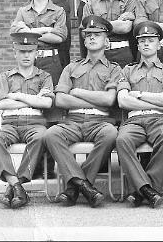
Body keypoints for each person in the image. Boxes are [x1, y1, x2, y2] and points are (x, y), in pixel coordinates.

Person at [43, 15, 121, 208]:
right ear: (84, 40)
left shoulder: (114, 69)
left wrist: (77, 92)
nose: (92, 38)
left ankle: (73, 187)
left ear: (106, 41)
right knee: (52, 134)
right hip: (73, 120)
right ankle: (84, 185)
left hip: (101, 122)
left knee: (111, 134)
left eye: (97, 34)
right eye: (88, 35)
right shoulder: (71, 67)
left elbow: (109, 100)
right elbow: (61, 99)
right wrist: (96, 99)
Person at [116, 21, 163, 208]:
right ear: (137, 45)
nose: (146, 44)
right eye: (142, 41)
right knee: (122, 141)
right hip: (134, 120)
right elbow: (123, 101)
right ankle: (148, 190)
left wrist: (140, 94)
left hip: (161, 120)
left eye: (151, 40)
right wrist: (158, 103)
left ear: (159, 44)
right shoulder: (127, 70)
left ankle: (141, 189)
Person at [0, 32, 53, 209]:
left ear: (36, 53)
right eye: (22, 51)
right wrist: (32, 99)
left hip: (35, 124)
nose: (26, 55)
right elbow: (0, 103)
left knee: (42, 137)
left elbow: (46, 102)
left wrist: (15, 96)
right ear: (15, 53)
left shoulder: (44, 76)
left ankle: (14, 186)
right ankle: (16, 185)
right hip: (10, 124)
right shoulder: (6, 76)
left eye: (30, 51)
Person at [10, 0, 67, 93]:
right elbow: (14, 33)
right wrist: (46, 30)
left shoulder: (58, 11)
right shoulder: (23, 11)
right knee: (28, 97)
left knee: (52, 102)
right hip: (28, 60)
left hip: (51, 61)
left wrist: (30, 32)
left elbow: (59, 37)